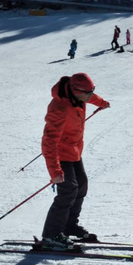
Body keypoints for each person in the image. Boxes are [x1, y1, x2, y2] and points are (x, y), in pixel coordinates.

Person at [40, 73, 111, 250]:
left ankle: (69, 225)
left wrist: (101, 103)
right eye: (87, 93)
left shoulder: (78, 96)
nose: (89, 96)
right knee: (68, 190)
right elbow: (49, 141)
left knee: (81, 185)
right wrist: (55, 172)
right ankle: (51, 235)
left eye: (91, 92)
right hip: (60, 154)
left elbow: (91, 97)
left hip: (74, 151)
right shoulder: (59, 108)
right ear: (75, 91)